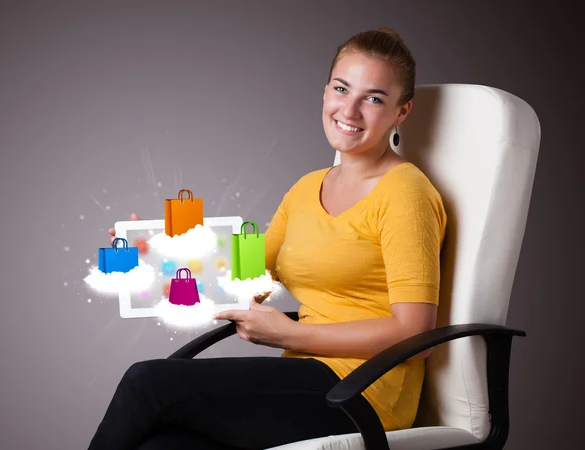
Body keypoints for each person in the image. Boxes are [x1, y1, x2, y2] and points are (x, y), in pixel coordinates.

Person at [89, 27, 447, 450]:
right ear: (326, 91)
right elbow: (243, 277)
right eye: (341, 88)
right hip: (304, 378)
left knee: (146, 383)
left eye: (373, 98)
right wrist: (155, 252)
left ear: (401, 113)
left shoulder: (405, 192)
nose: (349, 109)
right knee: (163, 446)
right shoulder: (306, 188)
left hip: (362, 393)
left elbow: (415, 335)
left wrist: (292, 336)